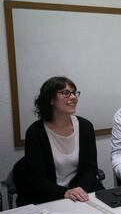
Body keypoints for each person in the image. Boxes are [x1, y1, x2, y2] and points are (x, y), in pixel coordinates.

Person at [15, 76, 104, 206]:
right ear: (50, 99)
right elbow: (37, 179)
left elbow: (91, 168)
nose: (73, 97)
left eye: (74, 93)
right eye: (66, 93)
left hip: (81, 191)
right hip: (48, 196)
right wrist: (65, 192)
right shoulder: (35, 132)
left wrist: (77, 191)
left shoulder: (85, 127)